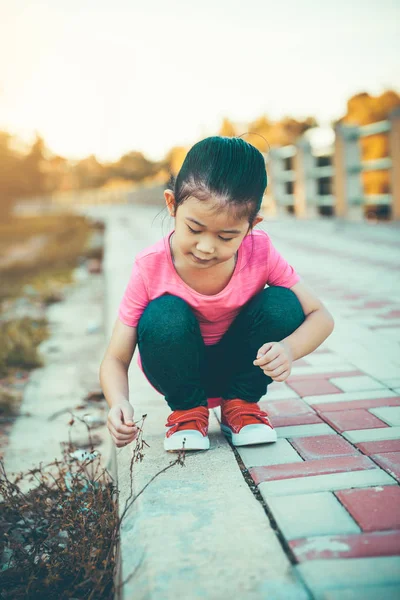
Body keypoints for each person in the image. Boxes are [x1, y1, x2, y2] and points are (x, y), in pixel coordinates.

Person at [99, 136, 334, 452]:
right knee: (164, 313)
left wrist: (289, 349)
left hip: (242, 366)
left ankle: (240, 406)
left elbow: (322, 317)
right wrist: (118, 403)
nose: (206, 247)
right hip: (178, 368)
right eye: (194, 229)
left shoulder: (260, 251)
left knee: (283, 303)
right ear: (172, 205)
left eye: (226, 236)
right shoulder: (150, 266)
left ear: (251, 226)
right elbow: (115, 356)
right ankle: (187, 413)